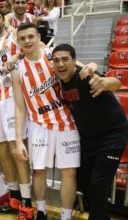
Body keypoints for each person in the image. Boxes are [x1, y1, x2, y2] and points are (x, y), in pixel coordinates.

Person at [12, 23, 95, 220]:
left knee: (69, 172)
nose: (27, 41)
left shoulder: (53, 56)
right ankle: (41, 212)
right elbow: (19, 107)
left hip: (67, 123)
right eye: (22, 38)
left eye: (30, 37)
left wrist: (92, 66)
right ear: (18, 41)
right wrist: (17, 140)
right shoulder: (18, 71)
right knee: (39, 172)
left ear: (38, 37)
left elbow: (80, 67)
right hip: (39, 126)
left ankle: (65, 216)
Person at [52, 43, 128, 220]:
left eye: (65, 60)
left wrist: (104, 82)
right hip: (88, 138)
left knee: (99, 184)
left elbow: (115, 83)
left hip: (112, 135)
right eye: (56, 61)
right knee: (84, 184)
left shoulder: (85, 76)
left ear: (74, 61)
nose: (61, 64)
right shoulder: (60, 81)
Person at [0, 8, 32, 216]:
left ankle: (27, 203)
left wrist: (17, 53)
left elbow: (31, 46)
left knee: (17, 150)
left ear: (3, 19)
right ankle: (13, 198)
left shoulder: (13, 35)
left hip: (15, 99)